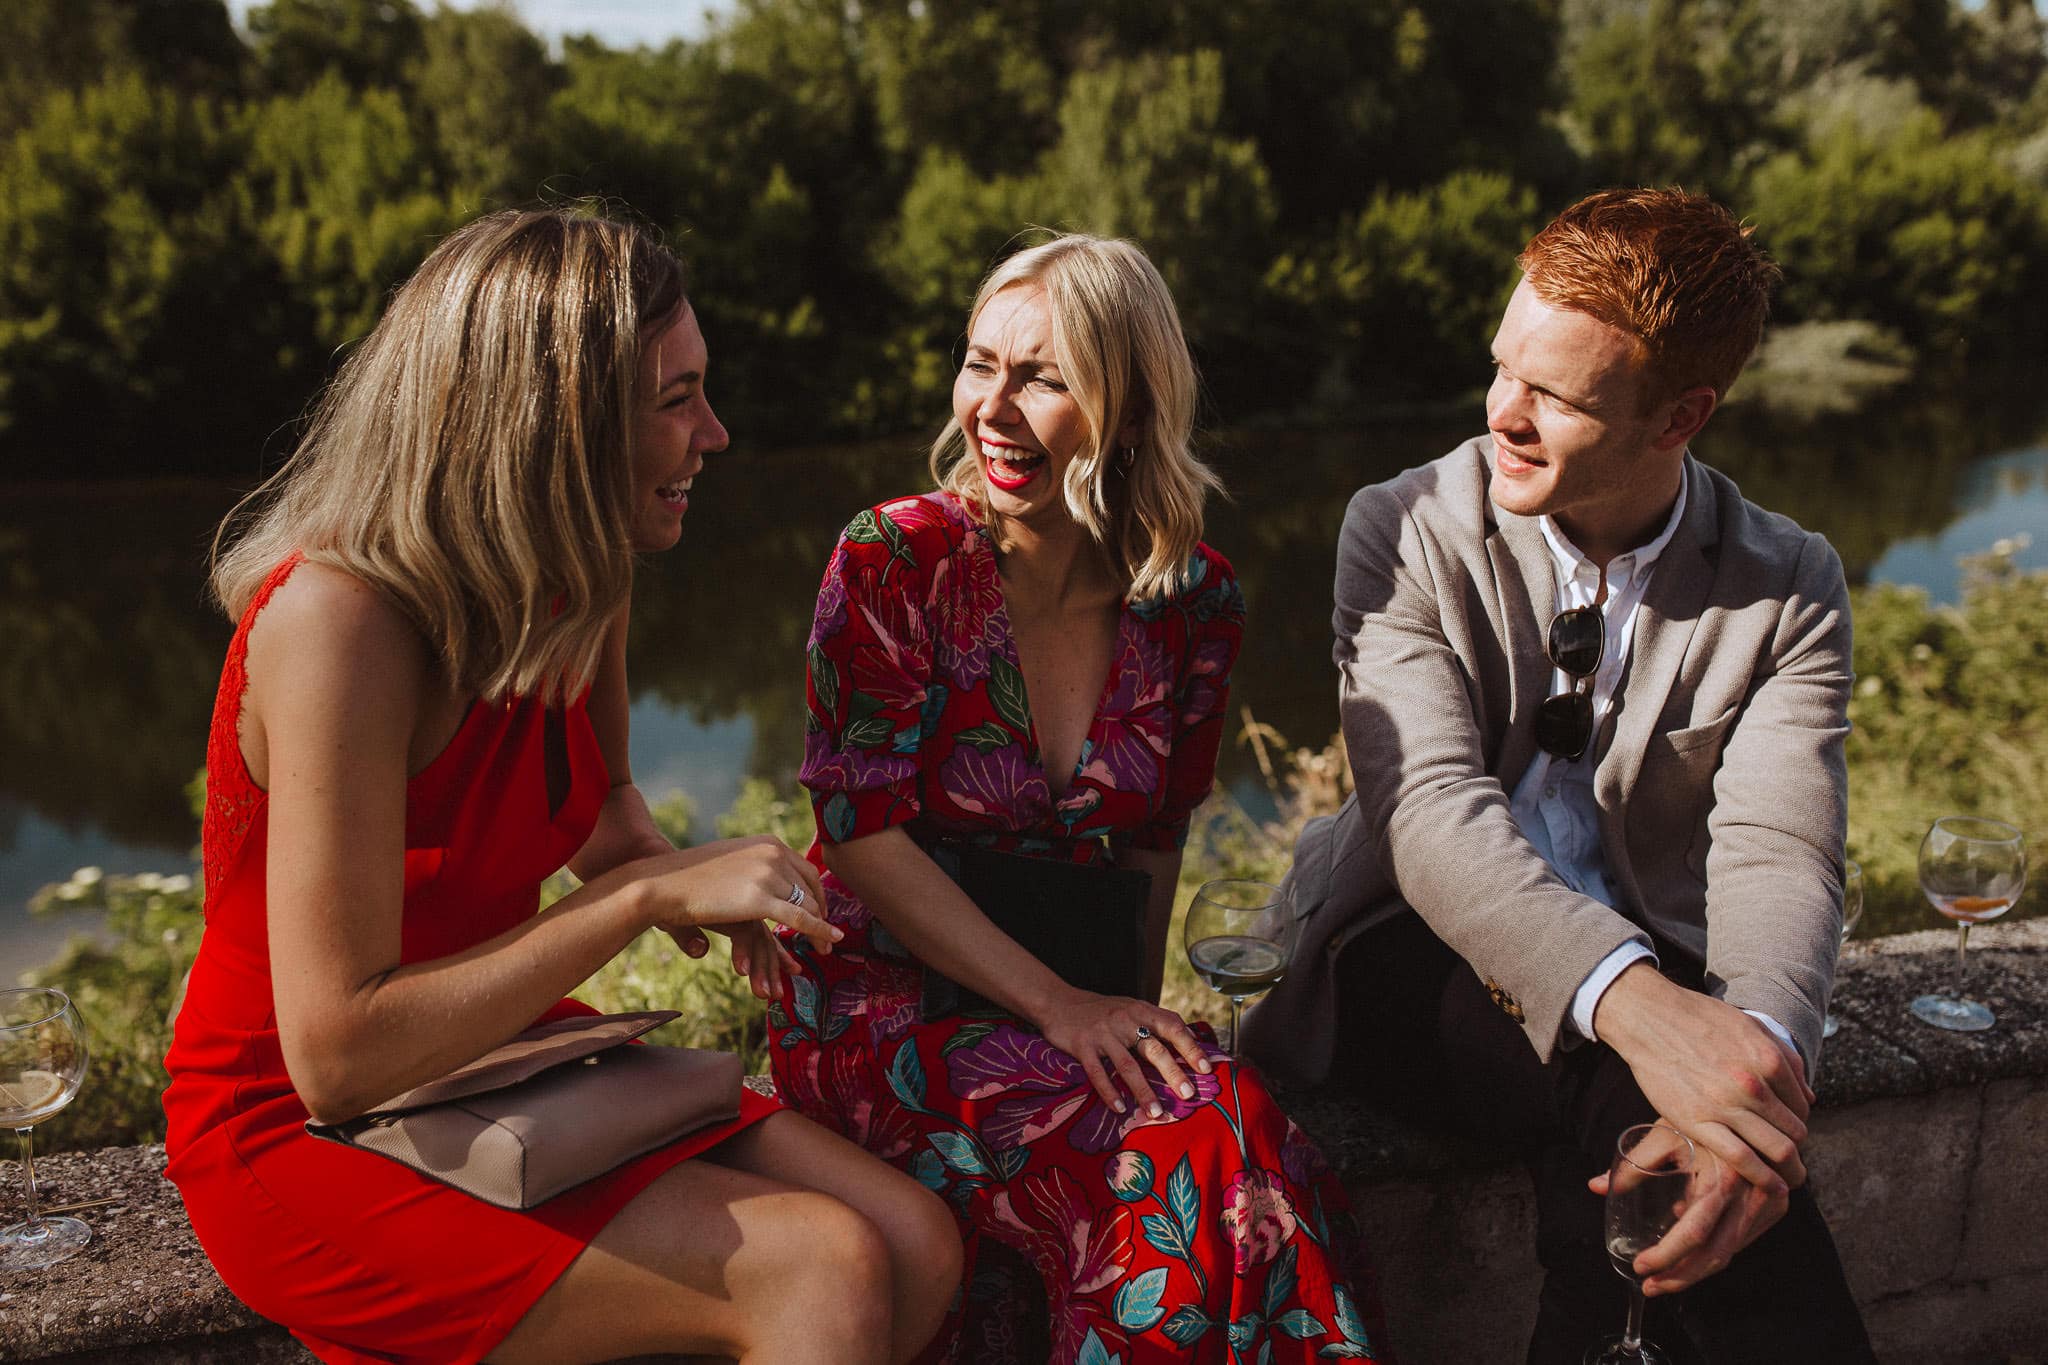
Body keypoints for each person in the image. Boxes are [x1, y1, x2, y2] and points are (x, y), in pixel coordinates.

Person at [162, 208, 961, 1365]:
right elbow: (334, 1055)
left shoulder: (578, 579)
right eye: (676, 399)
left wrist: (717, 888)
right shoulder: (340, 625)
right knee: (818, 1268)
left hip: (493, 1057)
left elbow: (607, 816)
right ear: (559, 428)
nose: (716, 434)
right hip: (292, 1123)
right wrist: (641, 903)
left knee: (914, 1237)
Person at [1242, 187, 1876, 1362]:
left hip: (1651, 982)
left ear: (1679, 415)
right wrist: (1652, 1022)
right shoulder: (1400, 526)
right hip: (1405, 953)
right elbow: (1429, 815)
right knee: (1628, 1103)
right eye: (1500, 367)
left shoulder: (1787, 584)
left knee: (1633, 1144)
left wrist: (1760, 1055)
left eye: (1557, 395)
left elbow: (1779, 849)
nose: (1502, 414)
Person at [768, 233, 1386, 1365]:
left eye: (1042, 378)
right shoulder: (894, 561)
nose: (992, 408)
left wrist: (1124, 1026)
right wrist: (1062, 1011)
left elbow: (1154, 841)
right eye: (978, 364)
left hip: (1060, 1001)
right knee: (1181, 1158)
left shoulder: (1192, 601)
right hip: (886, 1007)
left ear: (1129, 402)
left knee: (1234, 1127)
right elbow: (857, 837)